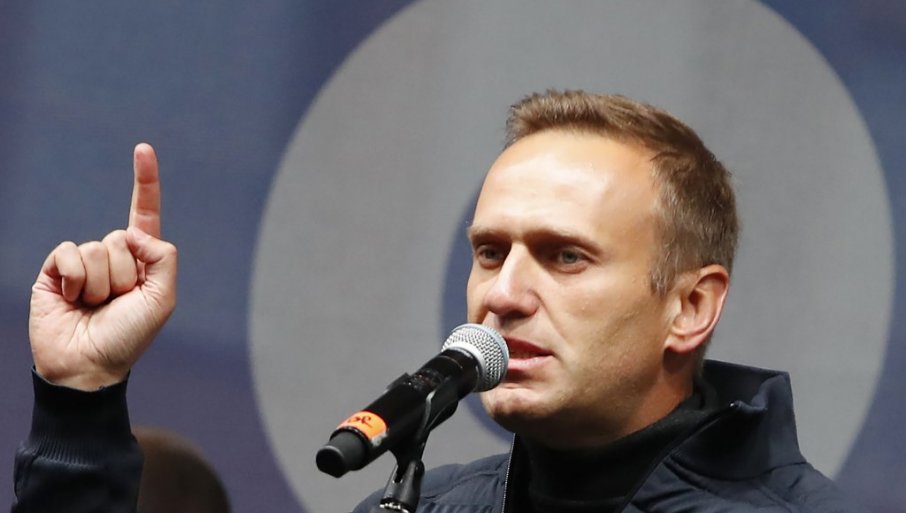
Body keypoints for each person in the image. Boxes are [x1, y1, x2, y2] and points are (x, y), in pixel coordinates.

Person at [11, 91, 866, 513]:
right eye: (490, 251)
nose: (503, 294)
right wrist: (81, 399)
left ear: (691, 307)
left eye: (565, 256)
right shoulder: (426, 505)